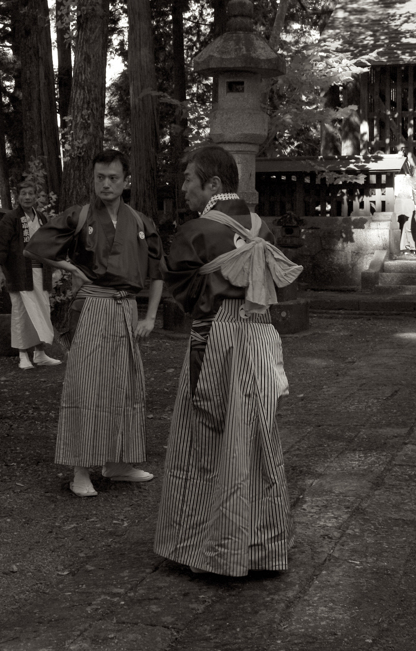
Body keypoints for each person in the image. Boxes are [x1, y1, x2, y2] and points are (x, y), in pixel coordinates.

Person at [155, 144, 300, 577]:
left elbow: (183, 291)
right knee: (256, 436)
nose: (183, 189)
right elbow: (280, 286)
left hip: (215, 337)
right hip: (258, 335)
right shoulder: (263, 228)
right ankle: (261, 547)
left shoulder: (195, 231)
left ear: (214, 184)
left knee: (206, 438)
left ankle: (206, 547)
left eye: (189, 180)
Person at [24, 149, 164, 498]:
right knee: (85, 384)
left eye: (113, 177)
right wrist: (68, 267)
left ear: (126, 181)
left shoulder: (142, 221)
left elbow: (159, 270)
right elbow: (35, 246)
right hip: (93, 304)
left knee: (126, 385)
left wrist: (149, 316)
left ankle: (118, 463)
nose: (106, 183)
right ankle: (80, 469)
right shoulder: (80, 215)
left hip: (128, 307)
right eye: (100, 177)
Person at [0, 180, 61, 369]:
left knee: (41, 310)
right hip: (18, 273)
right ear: (17, 197)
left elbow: (50, 245)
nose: (27, 197)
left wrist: (57, 268)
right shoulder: (11, 218)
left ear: (36, 197)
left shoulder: (42, 218)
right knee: (21, 312)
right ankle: (22, 355)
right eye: (23, 194)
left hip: (40, 273)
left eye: (31, 194)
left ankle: (39, 353)